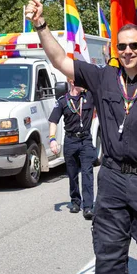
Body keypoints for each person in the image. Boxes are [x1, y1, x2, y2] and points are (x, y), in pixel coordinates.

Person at [25, 0, 137, 274]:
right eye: (122, 46)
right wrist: (40, 25)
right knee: (108, 260)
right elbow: (59, 60)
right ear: (115, 49)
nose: (128, 51)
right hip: (111, 180)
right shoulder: (103, 77)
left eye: (134, 45)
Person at [48, 79, 96, 220]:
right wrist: (52, 140)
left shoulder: (89, 97)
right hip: (70, 140)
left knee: (87, 173)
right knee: (72, 173)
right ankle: (75, 201)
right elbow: (53, 121)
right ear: (72, 82)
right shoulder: (63, 101)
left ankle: (88, 207)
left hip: (85, 140)